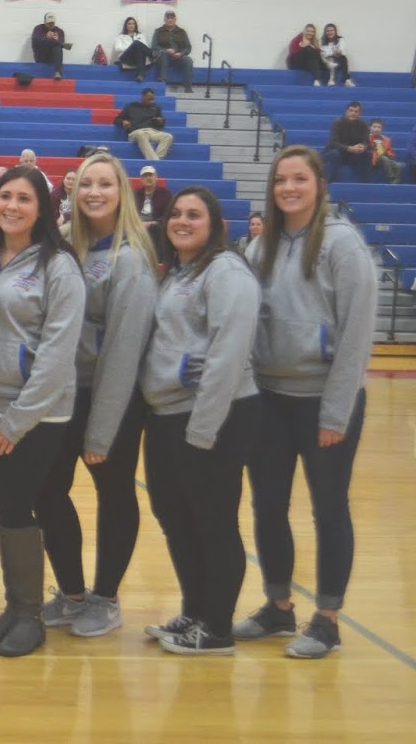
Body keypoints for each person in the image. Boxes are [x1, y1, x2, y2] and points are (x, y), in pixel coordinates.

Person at [237, 145, 378, 658]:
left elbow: (358, 334)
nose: (289, 188)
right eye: (280, 180)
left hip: (324, 400)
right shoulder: (261, 247)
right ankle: (278, 608)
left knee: (328, 509)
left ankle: (327, 619)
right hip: (270, 399)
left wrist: (336, 411)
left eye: (299, 179)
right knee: (268, 506)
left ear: (318, 184)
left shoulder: (342, 245)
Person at [34, 153, 158, 640]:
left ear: (121, 192)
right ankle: (73, 593)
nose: (94, 193)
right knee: (47, 489)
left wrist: (103, 428)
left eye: (105, 184)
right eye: (87, 184)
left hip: (112, 394)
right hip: (63, 391)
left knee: (114, 491)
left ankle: (106, 598)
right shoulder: (65, 247)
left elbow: (125, 349)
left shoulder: (132, 256)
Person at [0, 164, 85, 658]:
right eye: (5, 196)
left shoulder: (59, 266)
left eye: (24, 199)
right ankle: (16, 608)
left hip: (35, 414)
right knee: (7, 508)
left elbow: (59, 353)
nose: (11, 206)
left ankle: (29, 615)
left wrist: (18, 419)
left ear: (43, 209)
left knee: (17, 505)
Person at [140, 186, 261, 655]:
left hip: (215, 415)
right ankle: (195, 611)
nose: (182, 221)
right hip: (169, 413)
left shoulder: (227, 271)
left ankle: (216, 629)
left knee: (213, 521)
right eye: (176, 214)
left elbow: (229, 355)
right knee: (175, 516)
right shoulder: (181, 273)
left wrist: (204, 429)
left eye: (194, 215)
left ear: (216, 226)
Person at [115, 88, 174, 161]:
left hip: (152, 131)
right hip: (135, 132)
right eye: (149, 99)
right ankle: (155, 162)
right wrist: (123, 122)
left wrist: (161, 121)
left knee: (168, 136)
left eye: (153, 99)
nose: (152, 101)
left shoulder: (156, 107)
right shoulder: (131, 106)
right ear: (143, 97)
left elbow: (161, 123)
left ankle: (156, 160)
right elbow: (117, 119)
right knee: (141, 134)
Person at [321, 101, 371, 183]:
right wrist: (349, 148)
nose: (353, 113)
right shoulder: (337, 123)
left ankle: (364, 183)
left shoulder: (364, 125)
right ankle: (324, 182)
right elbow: (333, 143)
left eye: (356, 111)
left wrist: (363, 147)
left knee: (368, 154)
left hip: (353, 155)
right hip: (337, 153)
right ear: (346, 111)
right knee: (335, 153)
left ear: (360, 113)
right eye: (351, 111)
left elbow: (367, 143)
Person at [147, 11, 193, 91]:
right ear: (164, 20)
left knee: (188, 60)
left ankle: (188, 87)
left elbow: (188, 47)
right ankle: (162, 83)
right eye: (168, 18)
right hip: (162, 58)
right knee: (164, 54)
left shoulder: (182, 32)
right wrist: (166, 50)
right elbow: (154, 47)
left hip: (178, 57)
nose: (170, 20)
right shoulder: (158, 31)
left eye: (172, 18)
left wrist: (181, 53)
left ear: (175, 19)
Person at [30, 13, 70, 81]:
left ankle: (58, 72)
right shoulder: (38, 29)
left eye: (52, 23)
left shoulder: (59, 31)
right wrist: (45, 37)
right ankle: (58, 44)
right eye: (48, 23)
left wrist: (57, 40)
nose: (50, 25)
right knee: (54, 44)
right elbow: (35, 42)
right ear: (45, 22)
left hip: (53, 57)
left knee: (57, 46)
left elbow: (61, 42)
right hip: (41, 55)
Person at [133, 166, 171, 233]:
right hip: (137, 227)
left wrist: (153, 223)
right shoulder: (135, 194)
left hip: (156, 227)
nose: (148, 178)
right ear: (141, 179)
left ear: (156, 177)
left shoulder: (165, 194)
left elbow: (168, 213)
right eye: (145, 176)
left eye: (150, 175)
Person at [367, 119, 401, 184]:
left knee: (398, 165)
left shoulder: (386, 139)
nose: (376, 129)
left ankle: (396, 182)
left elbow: (390, 151)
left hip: (384, 160)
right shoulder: (366, 138)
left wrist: (390, 155)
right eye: (374, 127)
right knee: (384, 158)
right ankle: (391, 178)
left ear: (382, 129)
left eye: (379, 127)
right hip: (371, 160)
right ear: (370, 127)